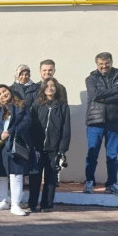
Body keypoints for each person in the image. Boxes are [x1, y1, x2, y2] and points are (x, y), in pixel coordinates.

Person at [84, 52, 118, 195]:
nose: (104, 66)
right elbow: (94, 95)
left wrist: (105, 98)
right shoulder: (91, 78)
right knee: (92, 155)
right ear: (97, 64)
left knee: (112, 156)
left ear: (111, 62)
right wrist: (114, 91)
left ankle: (111, 184)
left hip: (114, 121)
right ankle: (89, 182)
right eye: (101, 64)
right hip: (95, 122)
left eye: (107, 63)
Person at [0, 84, 33, 216]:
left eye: (4, 91)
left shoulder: (21, 105)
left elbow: (27, 121)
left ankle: (15, 204)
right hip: (1, 146)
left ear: (9, 91)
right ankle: (3, 201)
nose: (3, 95)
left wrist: (12, 132)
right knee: (1, 174)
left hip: (16, 144)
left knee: (16, 174)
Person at [28, 78, 71, 212]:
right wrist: (31, 145)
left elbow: (66, 128)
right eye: (47, 86)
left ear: (57, 88)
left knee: (50, 178)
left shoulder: (63, 106)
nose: (50, 88)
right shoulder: (36, 104)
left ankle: (46, 204)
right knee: (35, 178)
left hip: (54, 148)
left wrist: (62, 148)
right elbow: (30, 126)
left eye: (53, 86)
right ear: (43, 89)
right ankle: (32, 204)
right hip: (38, 147)